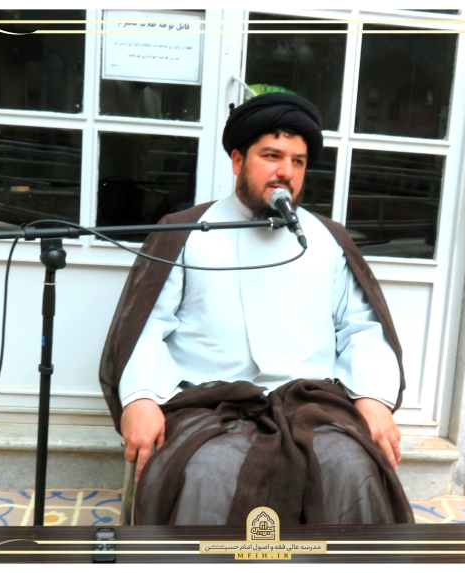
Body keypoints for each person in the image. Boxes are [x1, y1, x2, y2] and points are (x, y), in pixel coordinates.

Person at [99, 93, 414, 526]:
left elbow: (361, 327)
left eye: (298, 161)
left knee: (350, 466)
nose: (285, 171)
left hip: (310, 402)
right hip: (206, 402)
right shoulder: (183, 232)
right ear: (237, 160)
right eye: (271, 156)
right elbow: (146, 326)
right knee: (209, 474)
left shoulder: (328, 240)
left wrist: (373, 398)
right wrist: (140, 398)